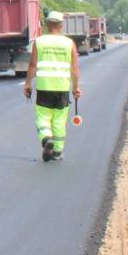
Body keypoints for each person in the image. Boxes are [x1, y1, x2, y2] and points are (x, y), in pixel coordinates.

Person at [23, 10, 83, 161]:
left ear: (47, 24)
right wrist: (76, 88)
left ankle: (46, 137)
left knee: (42, 117)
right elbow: (74, 67)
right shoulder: (69, 43)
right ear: (61, 25)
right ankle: (57, 152)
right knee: (59, 120)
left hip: (44, 86)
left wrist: (27, 84)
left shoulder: (40, 42)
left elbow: (32, 65)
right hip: (62, 88)